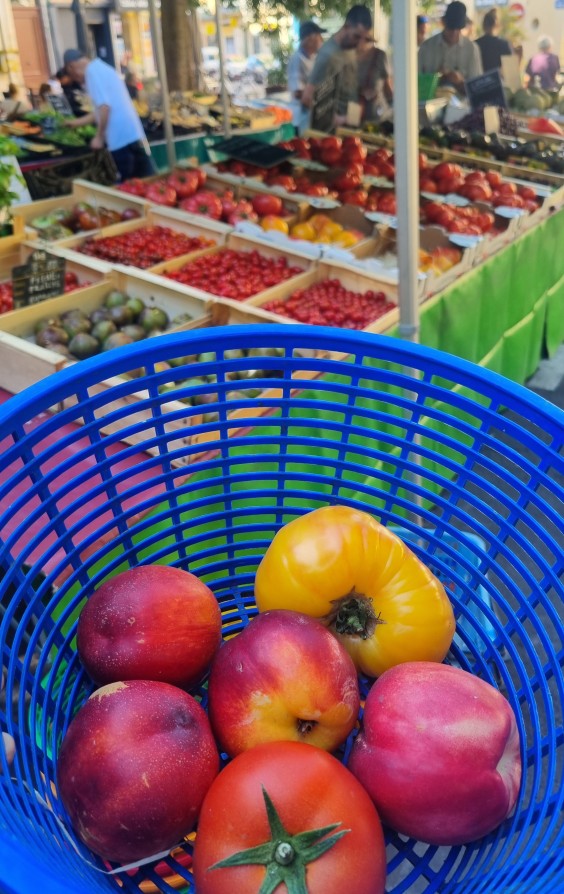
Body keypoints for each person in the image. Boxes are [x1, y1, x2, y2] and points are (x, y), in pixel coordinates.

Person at [62, 49, 155, 182]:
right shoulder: (101, 68)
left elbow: (104, 107)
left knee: (128, 185)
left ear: (71, 67)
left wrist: (99, 137)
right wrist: (74, 123)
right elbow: (100, 111)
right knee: (147, 180)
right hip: (133, 135)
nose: (76, 79)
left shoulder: (92, 73)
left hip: (120, 140)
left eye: (72, 75)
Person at [301, 5, 373, 126]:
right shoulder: (327, 55)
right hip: (334, 131)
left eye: (364, 38)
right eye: (356, 36)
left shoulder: (351, 48)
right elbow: (307, 98)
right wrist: (335, 119)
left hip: (352, 126)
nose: (360, 43)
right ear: (346, 26)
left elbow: (350, 89)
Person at [418, 0, 483, 95]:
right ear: (443, 23)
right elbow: (416, 83)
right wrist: (435, 78)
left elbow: (478, 88)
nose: (454, 32)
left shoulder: (471, 49)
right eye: (451, 27)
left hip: (463, 102)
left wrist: (460, 82)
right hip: (432, 101)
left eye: (458, 28)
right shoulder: (427, 47)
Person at [287, 21, 326, 132]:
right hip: (300, 119)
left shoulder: (314, 57)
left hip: (312, 117)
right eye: (319, 36)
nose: (321, 39)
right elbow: (298, 92)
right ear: (309, 38)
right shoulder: (297, 59)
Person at [357, 34, 393, 122]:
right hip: (355, 113)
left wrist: (392, 102)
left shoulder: (379, 56)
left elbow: (387, 85)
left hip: (378, 113)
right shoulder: (348, 57)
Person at [475, 9, 512, 73]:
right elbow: (511, 72)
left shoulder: (476, 44)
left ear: (483, 25)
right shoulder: (504, 45)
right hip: (498, 79)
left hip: (480, 79)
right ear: (497, 25)